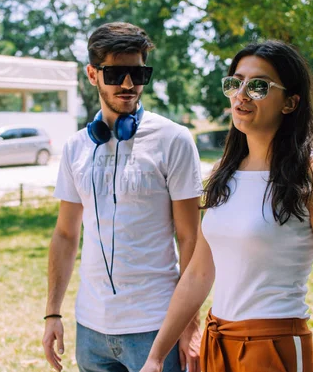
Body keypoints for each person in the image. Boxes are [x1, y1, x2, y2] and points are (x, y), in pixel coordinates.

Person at [140, 40, 313, 372]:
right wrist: (155, 357)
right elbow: (199, 274)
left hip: (275, 348)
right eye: (235, 82)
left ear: (290, 102)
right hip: (219, 344)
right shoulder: (224, 174)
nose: (241, 94)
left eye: (258, 86)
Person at [42, 22, 205, 372]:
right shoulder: (74, 147)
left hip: (156, 326)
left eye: (138, 73)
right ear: (92, 74)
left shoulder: (173, 140)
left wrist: (189, 322)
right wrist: (52, 312)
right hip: (90, 330)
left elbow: (191, 236)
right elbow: (66, 234)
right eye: (116, 73)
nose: (129, 85)